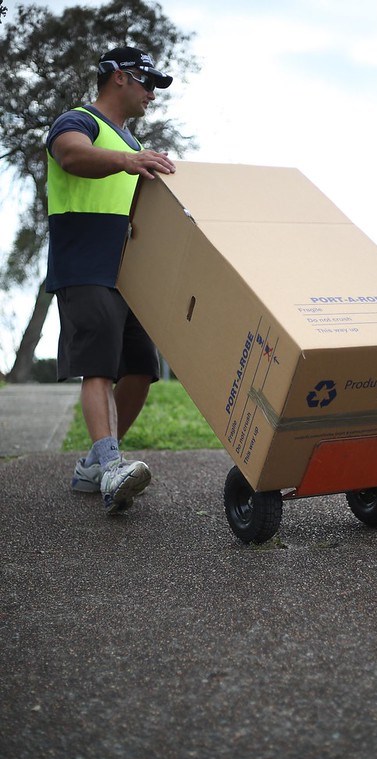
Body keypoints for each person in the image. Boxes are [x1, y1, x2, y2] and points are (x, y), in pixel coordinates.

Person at [45, 46, 176, 514]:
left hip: (126, 273)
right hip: (83, 265)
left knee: (141, 367)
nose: (151, 94)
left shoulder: (134, 147)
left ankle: (94, 465)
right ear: (118, 77)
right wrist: (126, 161)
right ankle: (111, 465)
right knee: (98, 366)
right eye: (147, 82)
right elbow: (70, 155)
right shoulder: (78, 121)